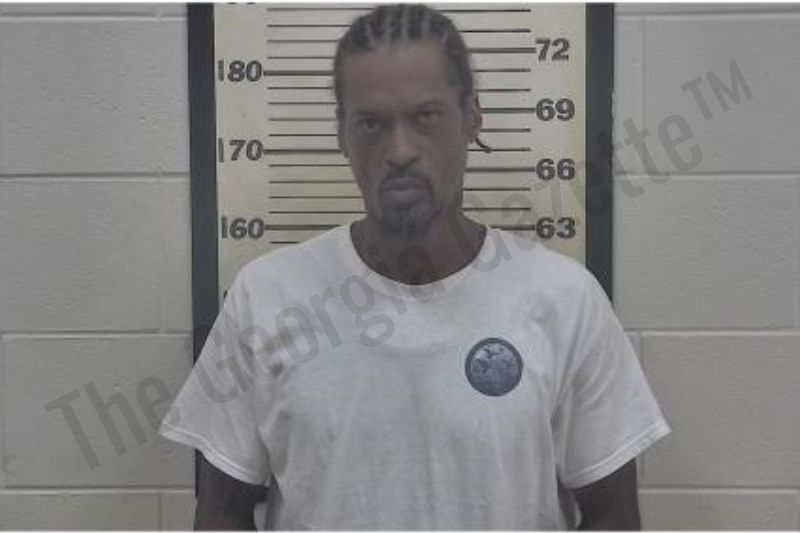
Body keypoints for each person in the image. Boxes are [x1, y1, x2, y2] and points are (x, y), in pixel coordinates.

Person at [159, 4, 670, 529]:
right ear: (342, 134)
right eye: (372, 124)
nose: (400, 150)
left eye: (425, 117)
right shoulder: (266, 296)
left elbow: (614, 515)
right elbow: (221, 513)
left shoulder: (567, 301)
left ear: (472, 115)